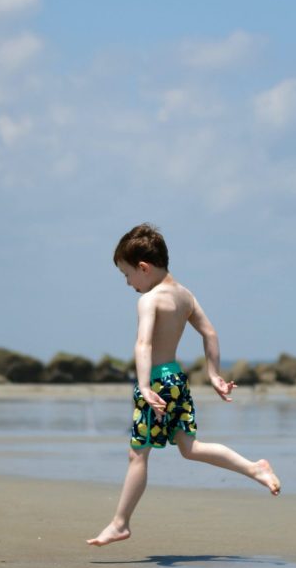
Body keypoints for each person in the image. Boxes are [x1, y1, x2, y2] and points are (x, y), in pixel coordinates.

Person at [87, 223, 280, 547]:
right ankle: (255, 469)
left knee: (138, 455)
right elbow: (210, 333)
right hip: (177, 380)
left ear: (143, 268)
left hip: (158, 382)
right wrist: (214, 374)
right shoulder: (185, 295)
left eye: (126, 275)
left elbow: (144, 344)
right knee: (191, 448)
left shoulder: (150, 300)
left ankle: (120, 523)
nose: (128, 283)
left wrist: (145, 386)